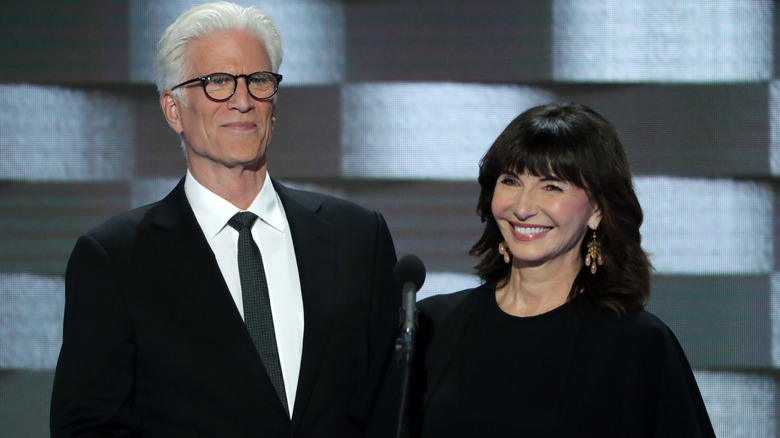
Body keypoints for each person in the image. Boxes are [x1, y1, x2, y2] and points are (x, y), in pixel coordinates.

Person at [50, 2, 399, 437]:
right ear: (173, 109)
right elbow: (89, 427)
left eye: (258, 81)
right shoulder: (116, 259)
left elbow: (393, 406)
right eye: (217, 81)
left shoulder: (358, 237)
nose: (242, 100)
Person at [409, 103, 716, 437]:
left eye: (551, 186)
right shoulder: (429, 326)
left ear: (597, 209)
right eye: (510, 180)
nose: (523, 207)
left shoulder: (638, 344)